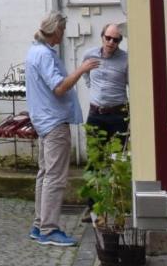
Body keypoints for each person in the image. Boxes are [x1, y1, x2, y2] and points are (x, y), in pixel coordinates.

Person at [26, 12, 98, 247]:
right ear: (55, 30)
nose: (64, 35)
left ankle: (39, 225)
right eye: (63, 30)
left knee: (45, 174)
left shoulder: (34, 51)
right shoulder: (44, 55)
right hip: (54, 121)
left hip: (44, 120)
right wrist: (82, 69)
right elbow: (59, 87)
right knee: (55, 177)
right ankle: (49, 229)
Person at [83, 23, 129, 140]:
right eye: (108, 38)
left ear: (119, 41)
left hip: (118, 114)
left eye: (115, 40)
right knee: (95, 154)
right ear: (102, 37)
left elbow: (132, 84)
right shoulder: (89, 55)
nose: (111, 42)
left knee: (117, 156)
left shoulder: (126, 59)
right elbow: (84, 72)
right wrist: (91, 86)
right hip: (95, 113)